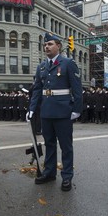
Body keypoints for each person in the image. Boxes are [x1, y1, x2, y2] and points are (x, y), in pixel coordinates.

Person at [26, 32, 82, 192]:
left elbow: (77, 89)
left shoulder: (68, 63)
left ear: (58, 46)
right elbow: (37, 89)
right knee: (49, 143)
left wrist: (77, 109)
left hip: (64, 111)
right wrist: (31, 109)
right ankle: (49, 172)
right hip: (46, 111)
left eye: (50, 44)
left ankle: (67, 176)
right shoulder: (41, 66)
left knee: (66, 146)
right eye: (45, 45)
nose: (46, 47)